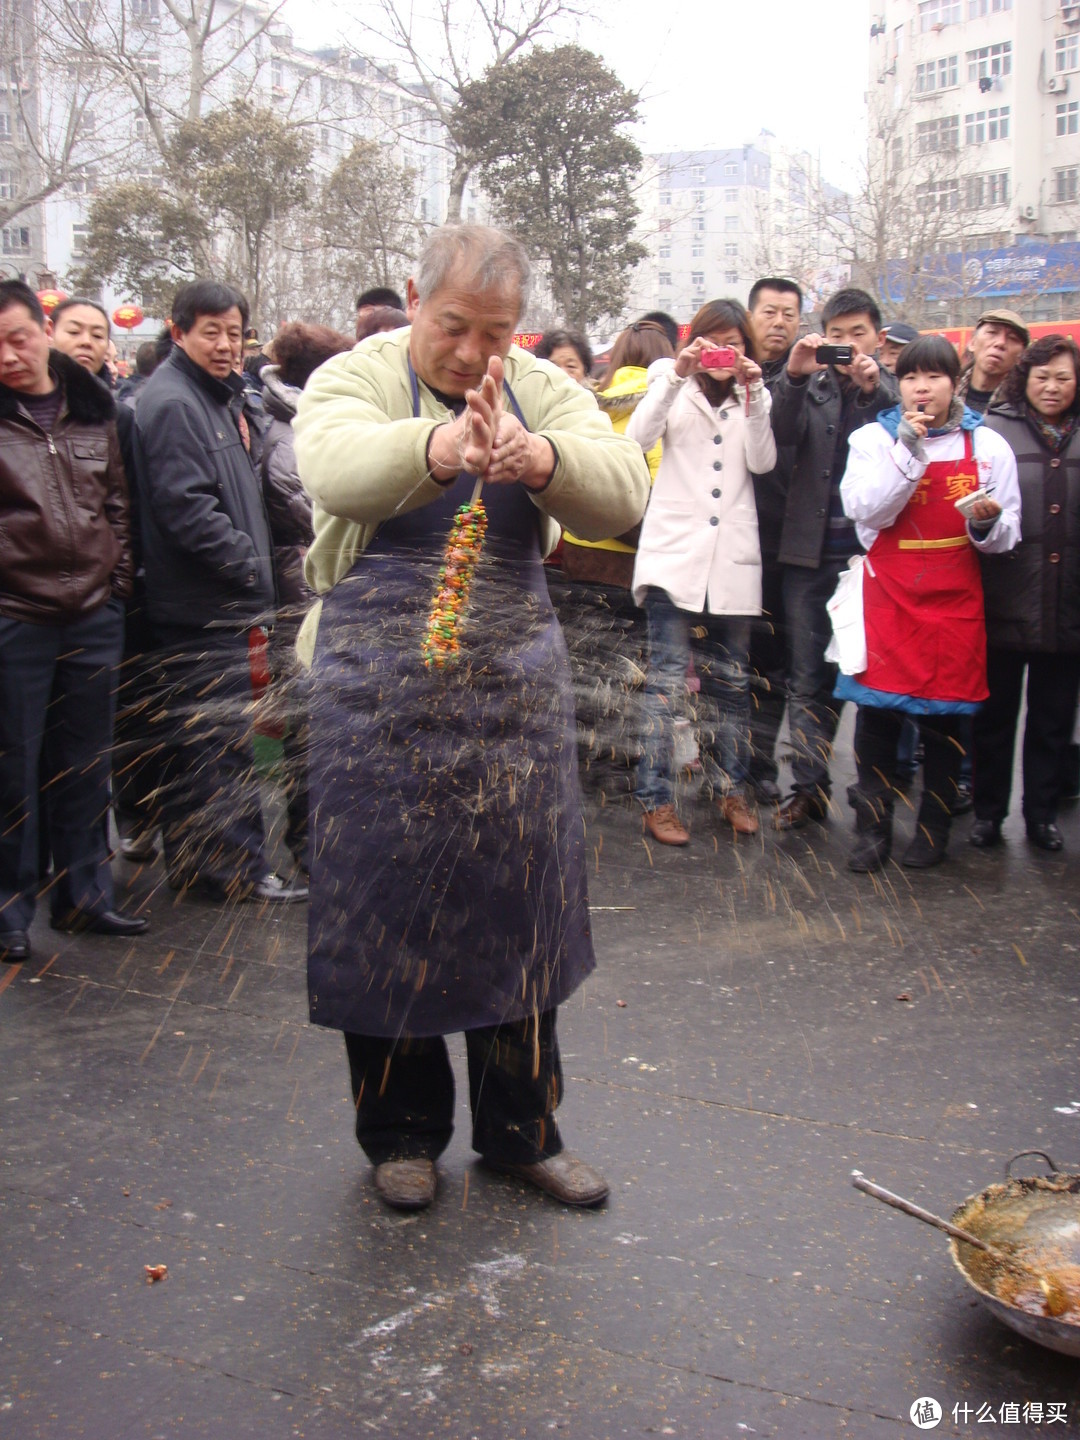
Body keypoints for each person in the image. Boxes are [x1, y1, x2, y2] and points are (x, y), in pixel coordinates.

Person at [293, 224, 650, 1212]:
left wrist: (535, 458)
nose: (472, 354)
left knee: (515, 906)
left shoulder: (537, 385)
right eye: (454, 327)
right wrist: (444, 445)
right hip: (376, 688)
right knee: (387, 906)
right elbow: (331, 468)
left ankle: (523, 1131)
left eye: (495, 334)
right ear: (416, 297)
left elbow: (624, 489)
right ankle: (401, 1134)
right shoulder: (352, 379)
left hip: (506, 690)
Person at [132, 280, 307, 904]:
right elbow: (185, 507)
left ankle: (208, 867)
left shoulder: (213, 397)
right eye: (212, 331)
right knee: (219, 745)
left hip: (216, 600)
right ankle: (229, 870)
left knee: (209, 741)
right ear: (178, 332)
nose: (226, 345)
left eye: (234, 333)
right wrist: (251, 569)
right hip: (201, 607)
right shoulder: (175, 402)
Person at [0, 280, 148, 964]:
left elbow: (117, 502)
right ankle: (10, 911)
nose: (8, 354)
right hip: (15, 615)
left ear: (42, 331)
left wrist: (114, 587)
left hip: (94, 611)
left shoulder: (94, 409)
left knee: (85, 764)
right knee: (13, 766)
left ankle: (86, 897)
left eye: (17, 337)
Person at [836, 335, 1020, 872]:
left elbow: (1009, 530)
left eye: (935, 377)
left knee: (944, 721)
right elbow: (866, 510)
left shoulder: (987, 446)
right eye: (913, 376)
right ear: (901, 382)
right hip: (890, 595)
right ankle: (872, 832)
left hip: (954, 596)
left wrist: (986, 522)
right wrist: (908, 451)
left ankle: (934, 828)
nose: (923, 387)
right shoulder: (873, 439)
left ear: (953, 383)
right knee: (877, 718)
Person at [628, 299, 776, 845]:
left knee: (731, 685)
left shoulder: (755, 397)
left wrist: (756, 392)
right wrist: (679, 374)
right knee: (666, 682)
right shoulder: (671, 380)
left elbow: (762, 462)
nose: (723, 353)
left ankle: (730, 790)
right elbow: (637, 439)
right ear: (694, 343)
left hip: (732, 562)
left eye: (734, 343)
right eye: (713, 340)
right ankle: (656, 799)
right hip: (673, 555)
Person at [769, 287, 899, 830]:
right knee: (806, 680)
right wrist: (795, 377)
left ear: (878, 338)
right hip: (808, 556)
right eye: (837, 335)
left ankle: (872, 795)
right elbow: (776, 434)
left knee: (867, 677)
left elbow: (909, 440)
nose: (847, 345)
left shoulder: (889, 390)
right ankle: (807, 788)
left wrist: (873, 389)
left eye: (858, 334)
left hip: (871, 565)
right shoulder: (808, 384)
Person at [972, 335, 1080, 852]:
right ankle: (988, 815)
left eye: (1063, 377)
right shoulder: (995, 429)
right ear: (1025, 378)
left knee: (1052, 722)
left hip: (1069, 603)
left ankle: (1040, 816)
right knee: (994, 719)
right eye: (1042, 377)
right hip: (1006, 597)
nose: (1052, 387)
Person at [259, 321, 354, 872]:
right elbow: (322, 515)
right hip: (303, 589)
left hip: (308, 585)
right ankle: (307, 843)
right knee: (308, 726)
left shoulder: (295, 420)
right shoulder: (296, 433)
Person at [746, 277, 803, 804]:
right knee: (723, 657)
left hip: (786, 544)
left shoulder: (809, 379)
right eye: (769, 311)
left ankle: (759, 764)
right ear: (750, 316)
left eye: (789, 313)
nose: (778, 322)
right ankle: (721, 756)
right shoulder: (727, 376)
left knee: (773, 663)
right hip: (733, 539)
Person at [957, 309, 1029, 415]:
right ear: (972, 343)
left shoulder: (1023, 408)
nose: (1000, 343)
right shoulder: (946, 392)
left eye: (1012, 338)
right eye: (992, 332)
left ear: (1021, 356)